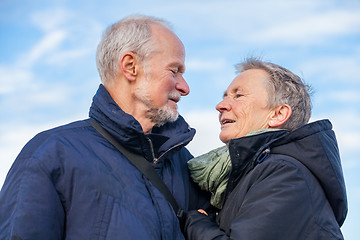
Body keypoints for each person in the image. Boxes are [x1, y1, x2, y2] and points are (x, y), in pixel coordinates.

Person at [0, 15, 208, 239]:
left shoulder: (186, 164)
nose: (185, 87)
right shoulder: (50, 154)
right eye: (174, 70)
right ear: (130, 67)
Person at [185, 58, 348, 239]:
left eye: (238, 95)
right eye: (225, 96)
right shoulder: (242, 176)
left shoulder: (286, 174)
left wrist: (196, 222)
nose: (220, 105)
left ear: (278, 114)